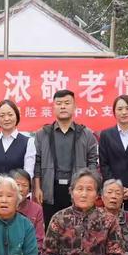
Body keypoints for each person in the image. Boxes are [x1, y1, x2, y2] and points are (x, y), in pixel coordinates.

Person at [34, 89, 98, 229]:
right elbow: (37, 162)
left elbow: (93, 162)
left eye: (67, 103)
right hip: (50, 188)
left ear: (74, 107)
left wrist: (90, 186)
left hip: (77, 189)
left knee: (78, 230)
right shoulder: (42, 134)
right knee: (52, 229)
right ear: (53, 107)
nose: (63, 106)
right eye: (59, 103)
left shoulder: (86, 134)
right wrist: (37, 188)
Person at [0, 100, 36, 212]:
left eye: (10, 114)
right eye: (2, 115)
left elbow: (28, 172)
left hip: (20, 199)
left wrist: (14, 192)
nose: (6, 119)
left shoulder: (28, 142)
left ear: (17, 116)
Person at [101, 179, 128, 255]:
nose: (113, 196)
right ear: (102, 197)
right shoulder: (93, 218)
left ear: (122, 198)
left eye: (118, 193)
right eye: (109, 192)